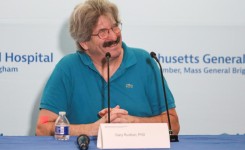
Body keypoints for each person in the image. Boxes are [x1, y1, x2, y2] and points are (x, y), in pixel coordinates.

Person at [36, 0, 180, 136]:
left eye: (114, 26)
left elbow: (173, 125)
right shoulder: (67, 68)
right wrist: (92, 129)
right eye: (102, 32)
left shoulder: (145, 62)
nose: (113, 36)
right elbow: (42, 129)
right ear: (84, 43)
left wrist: (132, 122)